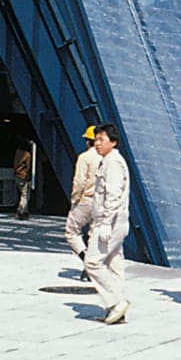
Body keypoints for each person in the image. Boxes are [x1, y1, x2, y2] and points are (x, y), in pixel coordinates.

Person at [87, 125, 131, 325]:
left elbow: (112, 195)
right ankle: (116, 311)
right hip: (115, 221)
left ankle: (116, 301)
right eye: (96, 139)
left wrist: (104, 223)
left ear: (113, 142)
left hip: (111, 222)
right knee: (114, 264)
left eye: (101, 140)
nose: (97, 143)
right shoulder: (110, 161)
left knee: (93, 262)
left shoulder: (113, 163)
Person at [65, 125, 102, 263]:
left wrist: (74, 199)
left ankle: (85, 257)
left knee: (71, 231)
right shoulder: (107, 158)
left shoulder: (85, 157)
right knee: (94, 234)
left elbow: (79, 181)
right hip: (102, 202)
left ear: (88, 141)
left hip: (86, 200)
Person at [13, 141, 34, 220]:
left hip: (17, 175)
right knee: (25, 195)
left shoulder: (17, 152)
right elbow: (28, 167)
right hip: (23, 176)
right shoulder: (27, 155)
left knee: (22, 194)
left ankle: (22, 210)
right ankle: (22, 211)